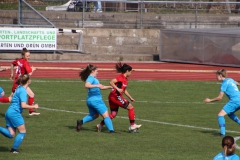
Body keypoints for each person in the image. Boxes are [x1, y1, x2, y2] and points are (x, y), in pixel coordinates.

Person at [96, 62, 142, 132]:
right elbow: (111, 82)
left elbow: (124, 90)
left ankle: (100, 125)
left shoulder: (126, 79)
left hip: (112, 97)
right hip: (115, 96)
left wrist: (130, 97)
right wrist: (117, 89)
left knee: (113, 114)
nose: (131, 73)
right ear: (127, 71)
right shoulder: (120, 77)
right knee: (131, 108)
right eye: (130, 71)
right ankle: (132, 125)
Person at [0, 74, 39, 153]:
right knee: (22, 131)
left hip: (9, 112)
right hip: (15, 113)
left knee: (11, 134)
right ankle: (14, 149)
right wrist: (33, 106)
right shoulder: (23, 92)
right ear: (28, 81)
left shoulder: (18, 88)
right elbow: (23, 105)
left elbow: (11, 99)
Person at [76, 64, 118, 133]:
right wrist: (97, 85)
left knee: (95, 115)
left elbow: (101, 87)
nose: (97, 72)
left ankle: (81, 121)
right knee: (106, 115)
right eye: (96, 71)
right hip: (96, 101)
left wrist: (111, 87)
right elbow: (86, 85)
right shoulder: (91, 78)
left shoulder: (93, 79)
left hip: (90, 100)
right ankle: (112, 131)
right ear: (92, 71)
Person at [204, 69, 240, 136]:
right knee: (230, 113)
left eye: (217, 76)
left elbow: (220, 98)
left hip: (234, 101)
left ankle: (222, 133)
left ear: (220, 75)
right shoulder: (230, 79)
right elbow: (237, 83)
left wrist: (209, 100)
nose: (216, 77)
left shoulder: (224, 84)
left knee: (220, 115)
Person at [10, 48, 40, 116]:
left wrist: (11, 74)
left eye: (29, 56)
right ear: (23, 56)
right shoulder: (25, 62)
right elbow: (29, 74)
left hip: (18, 81)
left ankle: (31, 111)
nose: (28, 57)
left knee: (31, 94)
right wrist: (33, 69)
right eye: (27, 56)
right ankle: (29, 111)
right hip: (20, 82)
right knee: (10, 99)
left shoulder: (19, 60)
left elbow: (12, 64)